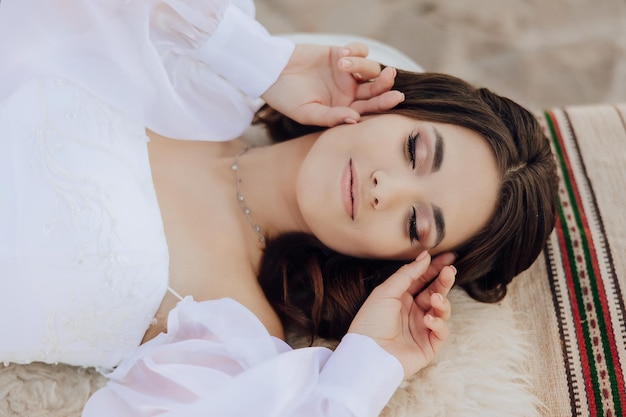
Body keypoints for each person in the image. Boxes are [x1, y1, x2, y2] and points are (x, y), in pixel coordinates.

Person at [0, 1, 557, 416]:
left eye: (416, 223)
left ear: (402, 264)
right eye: (414, 150)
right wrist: (262, 60)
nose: (387, 189)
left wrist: (368, 364)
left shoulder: (232, 332)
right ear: (395, 105)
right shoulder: (204, 78)